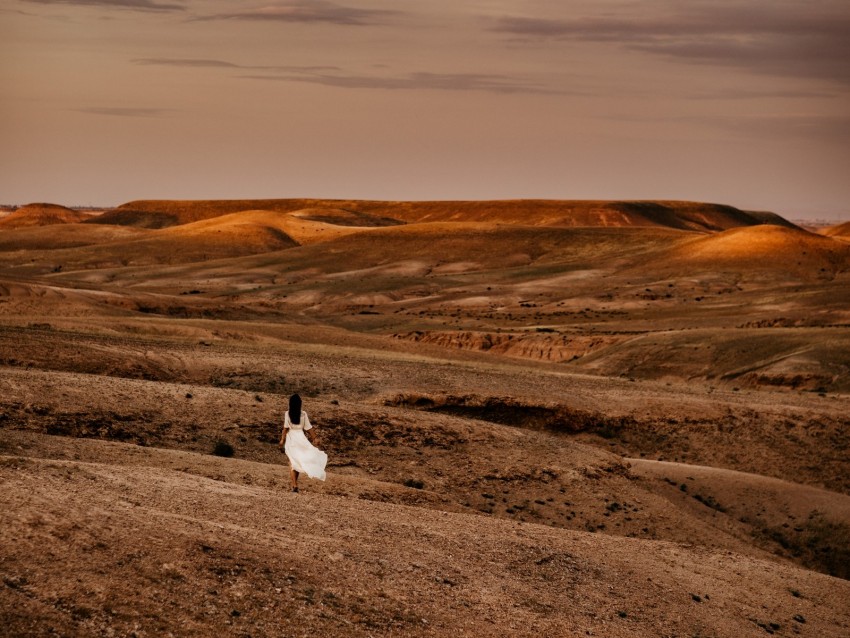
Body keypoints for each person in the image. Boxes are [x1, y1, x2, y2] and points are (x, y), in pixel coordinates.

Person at [278, 394, 327, 492]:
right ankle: (294, 485)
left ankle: (294, 485)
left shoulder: (288, 414)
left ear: (290, 404)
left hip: (291, 439)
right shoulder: (303, 414)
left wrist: (282, 439)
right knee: (297, 461)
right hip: (301, 438)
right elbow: (309, 428)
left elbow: (285, 428)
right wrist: (315, 438)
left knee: (293, 461)